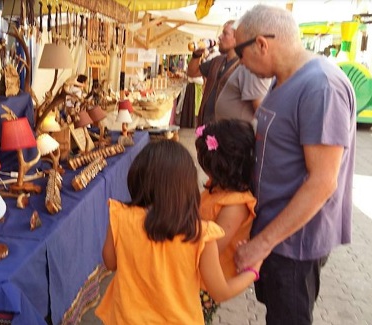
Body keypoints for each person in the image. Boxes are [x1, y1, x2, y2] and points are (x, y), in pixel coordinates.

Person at [233, 5, 356, 325]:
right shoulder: (283, 79)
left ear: (261, 44)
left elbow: (323, 182)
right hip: (277, 235)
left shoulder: (321, 86)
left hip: (294, 243)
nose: (241, 64)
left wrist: (261, 245)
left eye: (240, 53)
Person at [95, 140, 262, 324]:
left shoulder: (121, 216)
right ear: (187, 187)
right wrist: (253, 270)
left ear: (137, 178)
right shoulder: (202, 234)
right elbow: (220, 292)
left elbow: (110, 262)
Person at [195, 119, 257, 324]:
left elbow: (209, 249)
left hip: (204, 283)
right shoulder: (217, 186)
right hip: (193, 274)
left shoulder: (235, 205)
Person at [187, 20, 270, 125]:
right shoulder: (217, 61)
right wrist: (196, 55)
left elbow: (260, 109)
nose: (220, 37)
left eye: (225, 34)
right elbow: (192, 73)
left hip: (228, 132)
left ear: (237, 38)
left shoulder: (246, 66)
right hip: (207, 125)